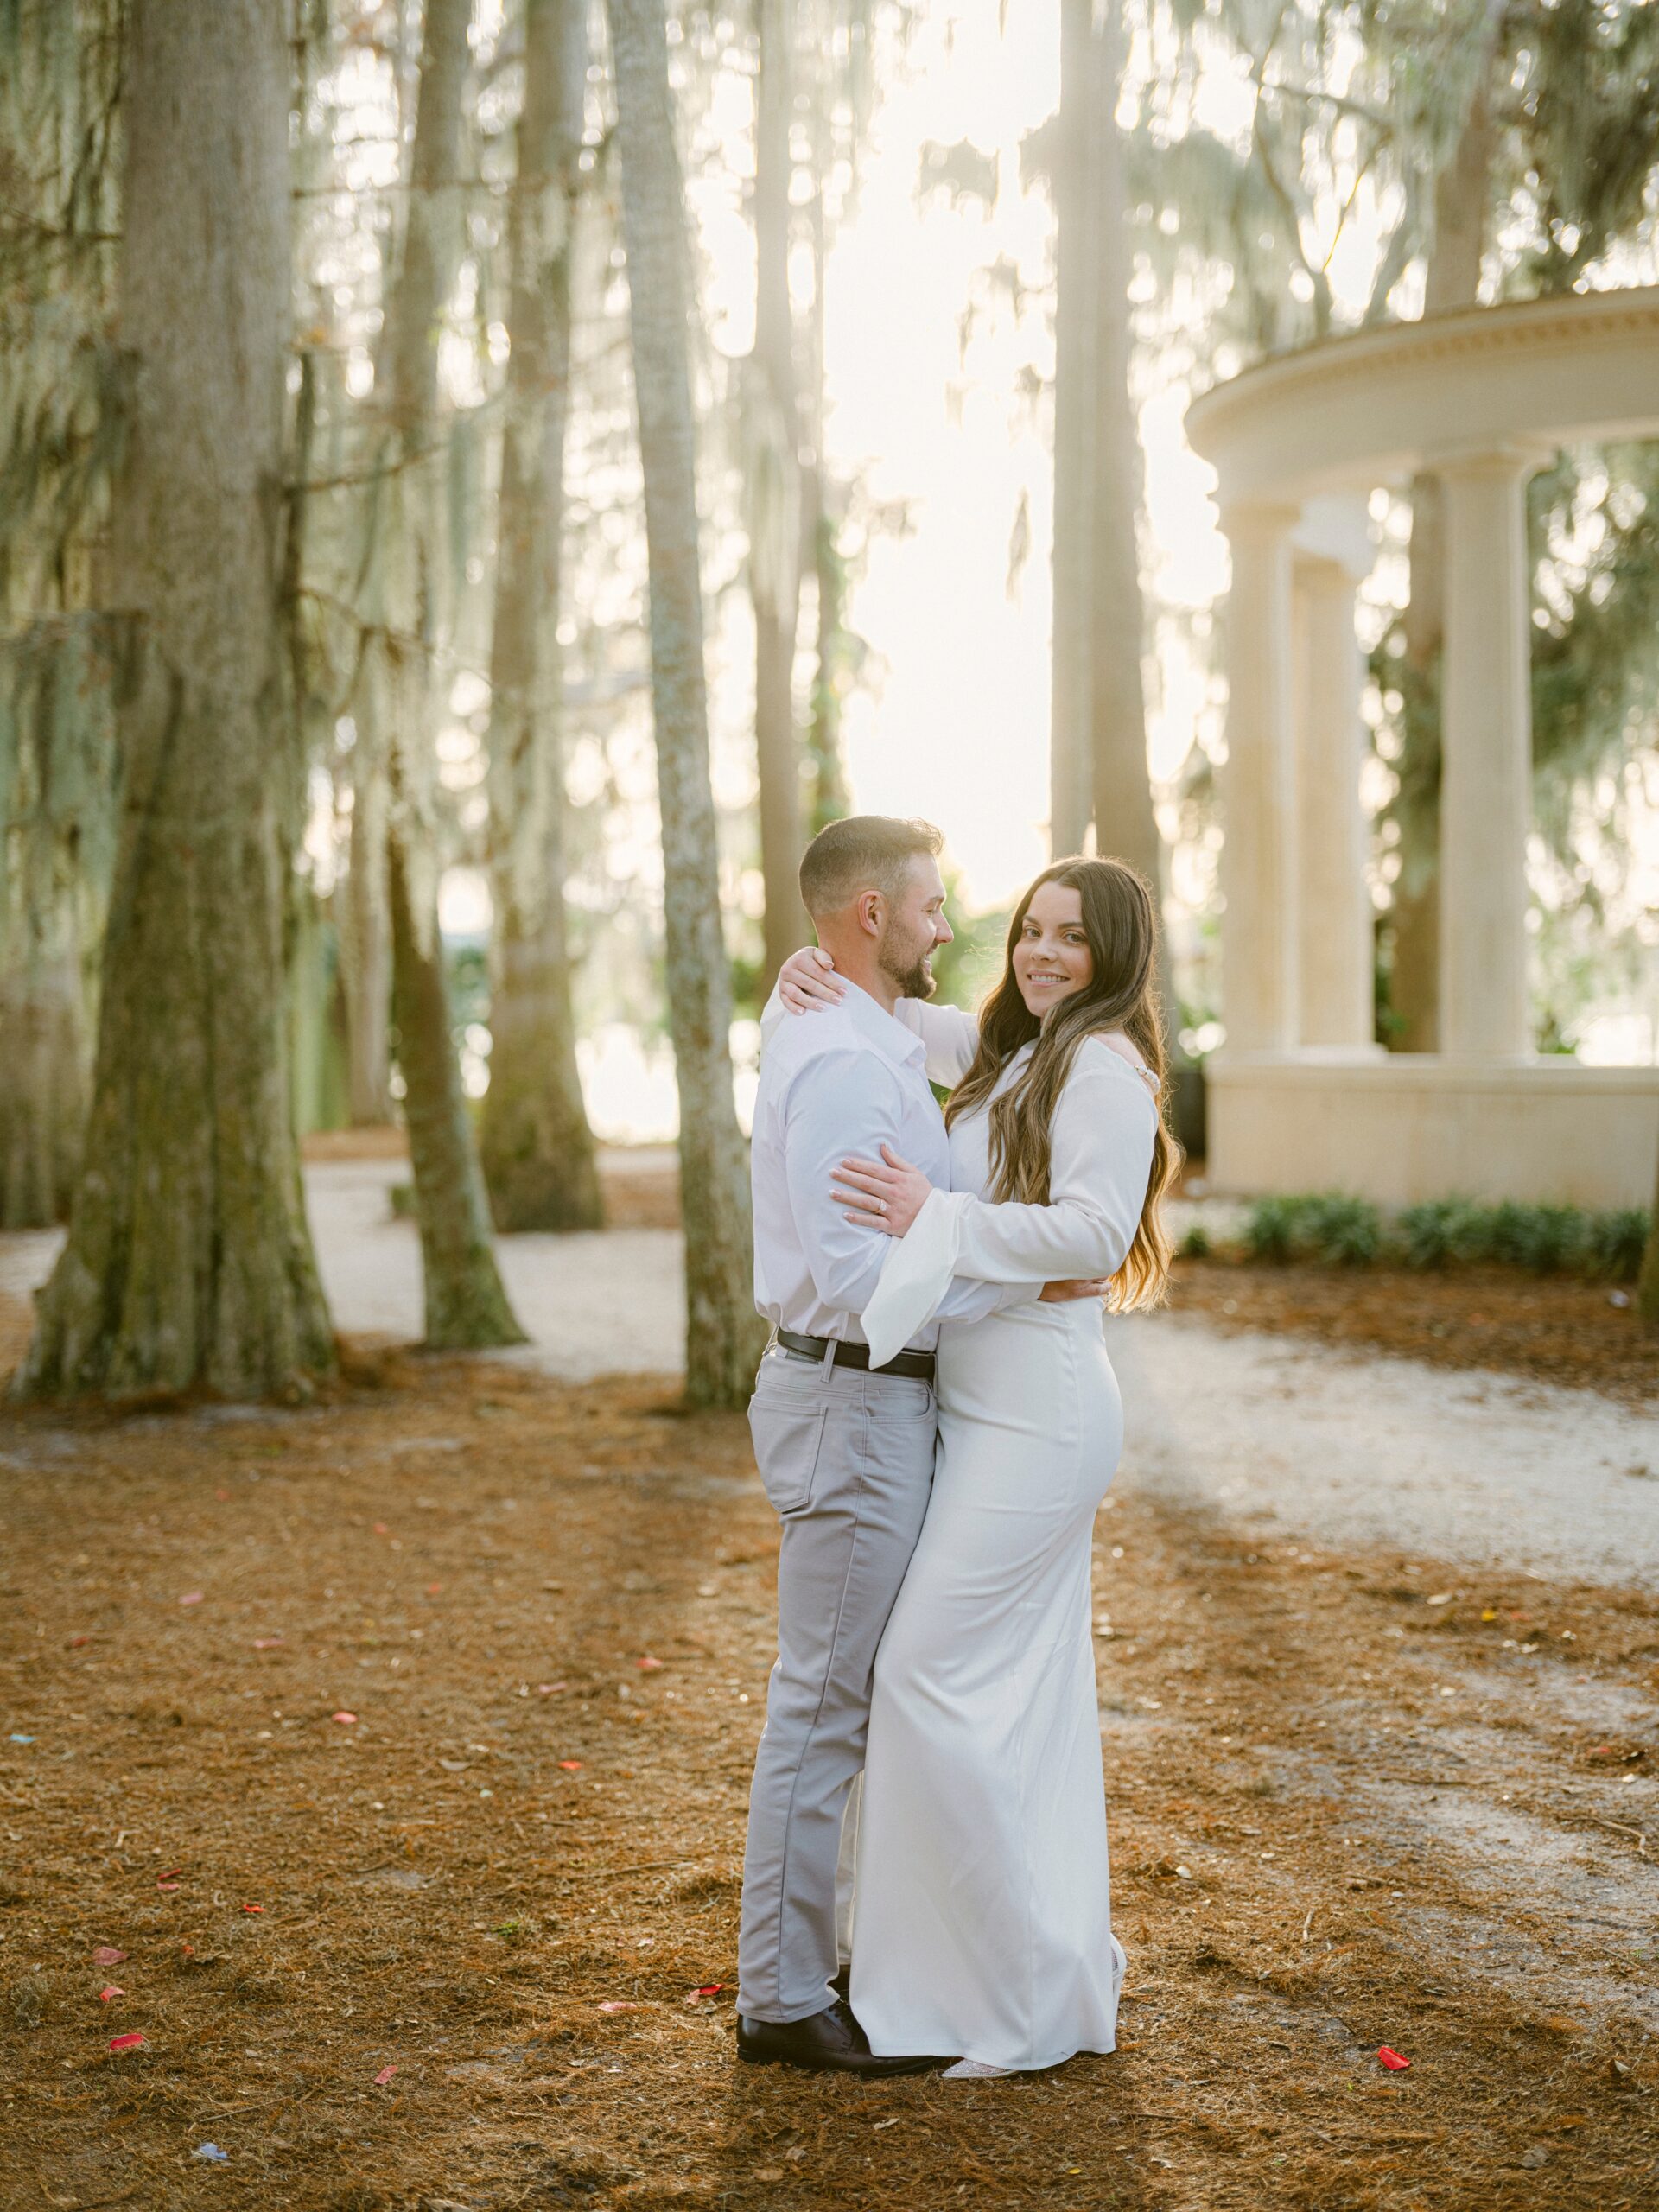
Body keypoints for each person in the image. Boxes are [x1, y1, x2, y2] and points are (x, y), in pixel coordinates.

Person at [772, 853, 1179, 2076]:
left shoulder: (1102, 1066)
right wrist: (813, 972)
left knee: (924, 1675)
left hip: (1042, 1413)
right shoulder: (1017, 1046)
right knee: (1009, 1696)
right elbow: (896, 1011)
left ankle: (1010, 1976)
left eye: (1071, 938)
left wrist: (933, 1220)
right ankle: (952, 1966)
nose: (1043, 955)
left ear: (1114, 956)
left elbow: (1098, 1235)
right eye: (1028, 933)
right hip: (983, 1401)